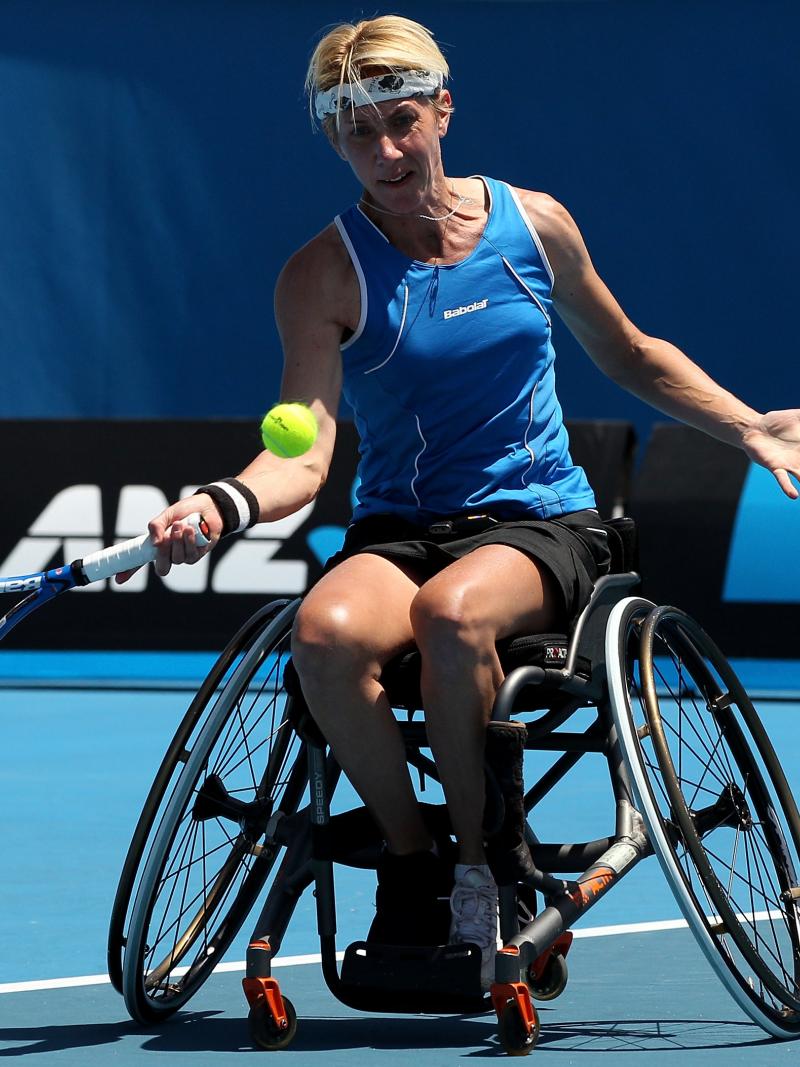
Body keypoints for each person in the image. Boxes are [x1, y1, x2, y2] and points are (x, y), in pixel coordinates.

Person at [127, 15, 800, 989]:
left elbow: (626, 350)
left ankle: (490, 873)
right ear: (334, 141)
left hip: (538, 524)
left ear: (442, 109)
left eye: (401, 121)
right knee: (320, 633)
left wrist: (746, 427)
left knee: (451, 615)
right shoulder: (320, 273)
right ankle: (416, 859)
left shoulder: (533, 226)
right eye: (359, 134)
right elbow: (303, 454)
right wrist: (222, 503)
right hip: (399, 530)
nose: (387, 152)